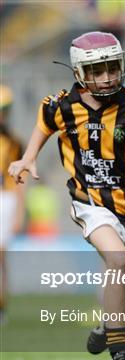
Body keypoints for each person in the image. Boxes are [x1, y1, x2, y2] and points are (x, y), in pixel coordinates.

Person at [8, 31, 125, 360]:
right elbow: (44, 123)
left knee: (124, 292)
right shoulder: (61, 105)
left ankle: (107, 326)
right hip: (90, 203)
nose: (106, 78)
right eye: (96, 71)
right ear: (78, 73)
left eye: (112, 69)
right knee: (116, 261)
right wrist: (28, 157)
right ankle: (121, 356)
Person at [0, 84, 25, 325]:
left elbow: (19, 182)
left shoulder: (14, 142)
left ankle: (2, 305)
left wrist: (18, 212)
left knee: (1, 257)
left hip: (4, 200)